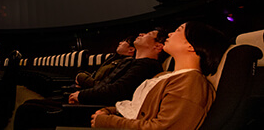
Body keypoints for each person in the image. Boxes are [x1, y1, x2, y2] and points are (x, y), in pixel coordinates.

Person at [13, 28, 168, 130]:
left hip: (98, 108)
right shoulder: (134, 62)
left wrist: (82, 95)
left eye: (148, 34)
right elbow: (107, 84)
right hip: (94, 101)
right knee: (30, 104)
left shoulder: (147, 65)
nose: (141, 34)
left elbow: (118, 91)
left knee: (28, 110)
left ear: (157, 47)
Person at [90, 21, 229, 130]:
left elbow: (162, 128)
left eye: (178, 30)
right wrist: (108, 111)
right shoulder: (166, 75)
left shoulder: (191, 83)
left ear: (191, 46)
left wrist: (107, 121)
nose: (169, 34)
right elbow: (135, 107)